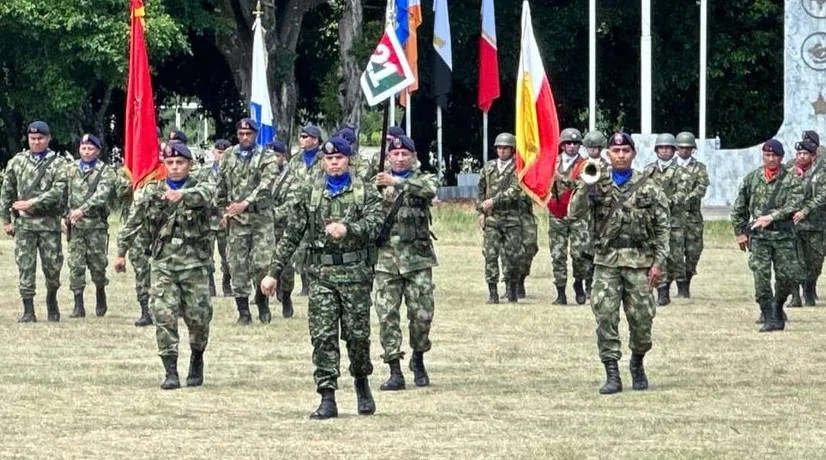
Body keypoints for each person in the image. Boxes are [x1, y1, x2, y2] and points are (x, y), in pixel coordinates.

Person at [261, 136, 381, 419]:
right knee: (323, 336)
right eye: (329, 159)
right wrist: (273, 272)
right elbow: (292, 235)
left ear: (348, 160)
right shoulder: (310, 192)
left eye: (339, 158)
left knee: (357, 337)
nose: (334, 163)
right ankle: (327, 396)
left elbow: (376, 224)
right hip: (322, 276)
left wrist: (349, 228)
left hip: (355, 276)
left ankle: (361, 382)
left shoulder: (364, 191)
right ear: (323, 161)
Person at [569, 132, 669, 394]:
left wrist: (658, 263)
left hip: (640, 262)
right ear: (608, 154)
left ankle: (637, 361)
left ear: (633, 154)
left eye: (625, 151)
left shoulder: (648, 186)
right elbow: (574, 212)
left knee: (642, 321)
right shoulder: (597, 183)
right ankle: (612, 373)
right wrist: (585, 185)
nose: (621, 155)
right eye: (616, 151)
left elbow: (662, 228)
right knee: (605, 317)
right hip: (606, 263)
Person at [114, 142, 214, 389]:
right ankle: (170, 371)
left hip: (195, 264)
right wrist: (121, 253)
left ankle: (197, 358)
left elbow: (208, 194)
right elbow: (133, 222)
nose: (175, 167)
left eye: (180, 162)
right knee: (164, 315)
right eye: (170, 163)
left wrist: (183, 195)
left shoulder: (202, 185)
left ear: (190, 165)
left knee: (199, 318)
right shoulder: (152, 192)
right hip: (163, 264)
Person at [373, 135, 439, 390]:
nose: (400, 159)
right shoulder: (377, 182)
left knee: (422, 314)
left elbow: (429, 191)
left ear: (413, 157)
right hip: (386, 260)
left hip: (417, 259)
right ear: (388, 157)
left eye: (405, 154)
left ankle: (418, 357)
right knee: (387, 315)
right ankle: (394, 369)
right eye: (395, 154)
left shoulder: (424, 178)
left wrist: (397, 182)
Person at [731, 139, 803, 332]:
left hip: (784, 236)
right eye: (767, 155)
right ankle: (768, 315)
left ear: (781, 157)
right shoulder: (752, 178)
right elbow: (739, 208)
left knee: (788, 277)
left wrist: (771, 217)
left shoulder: (791, 179)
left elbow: (795, 204)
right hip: (760, 238)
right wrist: (740, 232)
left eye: (774, 156)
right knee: (761, 277)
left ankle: (778, 307)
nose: (771, 159)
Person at [0, 121, 69, 322]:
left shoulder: (59, 163)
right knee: (25, 266)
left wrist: (31, 202)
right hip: (25, 225)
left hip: (49, 223)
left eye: (40, 138)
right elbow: (7, 191)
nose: (36, 142)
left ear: (48, 138)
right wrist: (6, 219)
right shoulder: (18, 161)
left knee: (53, 267)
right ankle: (28, 309)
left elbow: (58, 191)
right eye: (33, 138)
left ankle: (51, 299)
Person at [215, 118, 278, 324]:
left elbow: (267, 183)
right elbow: (220, 185)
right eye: (241, 134)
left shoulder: (267, 156)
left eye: (248, 134)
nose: (244, 137)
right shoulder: (228, 155)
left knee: (263, 263)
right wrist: (222, 211)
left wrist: (246, 202)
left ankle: (261, 300)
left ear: (256, 135)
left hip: (261, 218)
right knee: (237, 265)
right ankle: (243, 312)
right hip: (236, 220)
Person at [64, 134, 116, 318]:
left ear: (98, 151)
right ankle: (78, 305)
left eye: (90, 149)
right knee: (75, 264)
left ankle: (100, 293)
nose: (86, 152)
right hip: (75, 227)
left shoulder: (106, 172)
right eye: (84, 148)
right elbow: (64, 193)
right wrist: (63, 216)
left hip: (96, 227)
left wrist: (82, 210)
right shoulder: (70, 169)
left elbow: (102, 195)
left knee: (98, 265)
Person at [643, 133, 691, 306]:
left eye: (668, 148)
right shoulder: (649, 170)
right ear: (656, 150)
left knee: (674, 257)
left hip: (674, 221)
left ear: (674, 150)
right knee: (657, 255)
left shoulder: (681, 172)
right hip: (653, 222)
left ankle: (677, 286)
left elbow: (683, 193)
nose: (664, 151)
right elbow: (642, 190)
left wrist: (664, 202)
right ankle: (662, 292)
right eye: (661, 148)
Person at [477, 132, 523, 304]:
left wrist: (493, 201)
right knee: (490, 255)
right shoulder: (488, 167)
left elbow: (515, 191)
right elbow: (480, 191)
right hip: (492, 219)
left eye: (506, 148)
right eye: (499, 148)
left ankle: (512, 289)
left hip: (512, 219)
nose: (502, 151)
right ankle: (493, 292)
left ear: (512, 150)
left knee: (512, 256)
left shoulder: (518, 168)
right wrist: (480, 211)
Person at [547, 128, 590, 305]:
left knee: (579, 254)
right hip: (557, 214)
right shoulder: (552, 162)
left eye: (575, 143)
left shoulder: (586, 164)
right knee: (557, 254)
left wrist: (561, 179)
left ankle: (579, 282)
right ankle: (560, 292)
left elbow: (584, 184)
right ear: (562, 145)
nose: (572, 146)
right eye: (568, 143)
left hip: (578, 216)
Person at [790, 132, 826, 306]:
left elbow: (823, 195)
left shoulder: (822, 170)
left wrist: (805, 210)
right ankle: (795, 295)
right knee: (792, 260)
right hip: (793, 225)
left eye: (806, 152)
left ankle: (809, 287)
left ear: (814, 154)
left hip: (816, 224)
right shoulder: (789, 170)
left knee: (815, 261)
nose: (802, 156)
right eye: (799, 153)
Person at [674, 132, 709, 298]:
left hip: (692, 217)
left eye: (688, 148)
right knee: (675, 253)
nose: (684, 151)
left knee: (694, 251)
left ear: (692, 149)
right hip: (673, 218)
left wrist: (686, 198)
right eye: (681, 148)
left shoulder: (699, 168)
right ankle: (681, 286)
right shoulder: (670, 167)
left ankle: (687, 280)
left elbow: (701, 188)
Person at [581, 131, 609, 298]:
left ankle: (601, 283)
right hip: (584, 216)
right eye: (590, 147)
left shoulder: (608, 167)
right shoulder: (580, 166)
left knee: (602, 250)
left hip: (603, 215)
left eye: (596, 147)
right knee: (585, 252)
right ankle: (587, 285)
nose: (593, 150)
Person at [268, 139, 295, 317]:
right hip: (262, 227)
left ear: (283, 157)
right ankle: (261, 299)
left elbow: (292, 202)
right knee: (261, 263)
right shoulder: (261, 174)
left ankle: (286, 296)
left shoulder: (291, 177)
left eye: (276, 156)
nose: (272, 159)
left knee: (285, 267)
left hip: (283, 226)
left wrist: (273, 214)